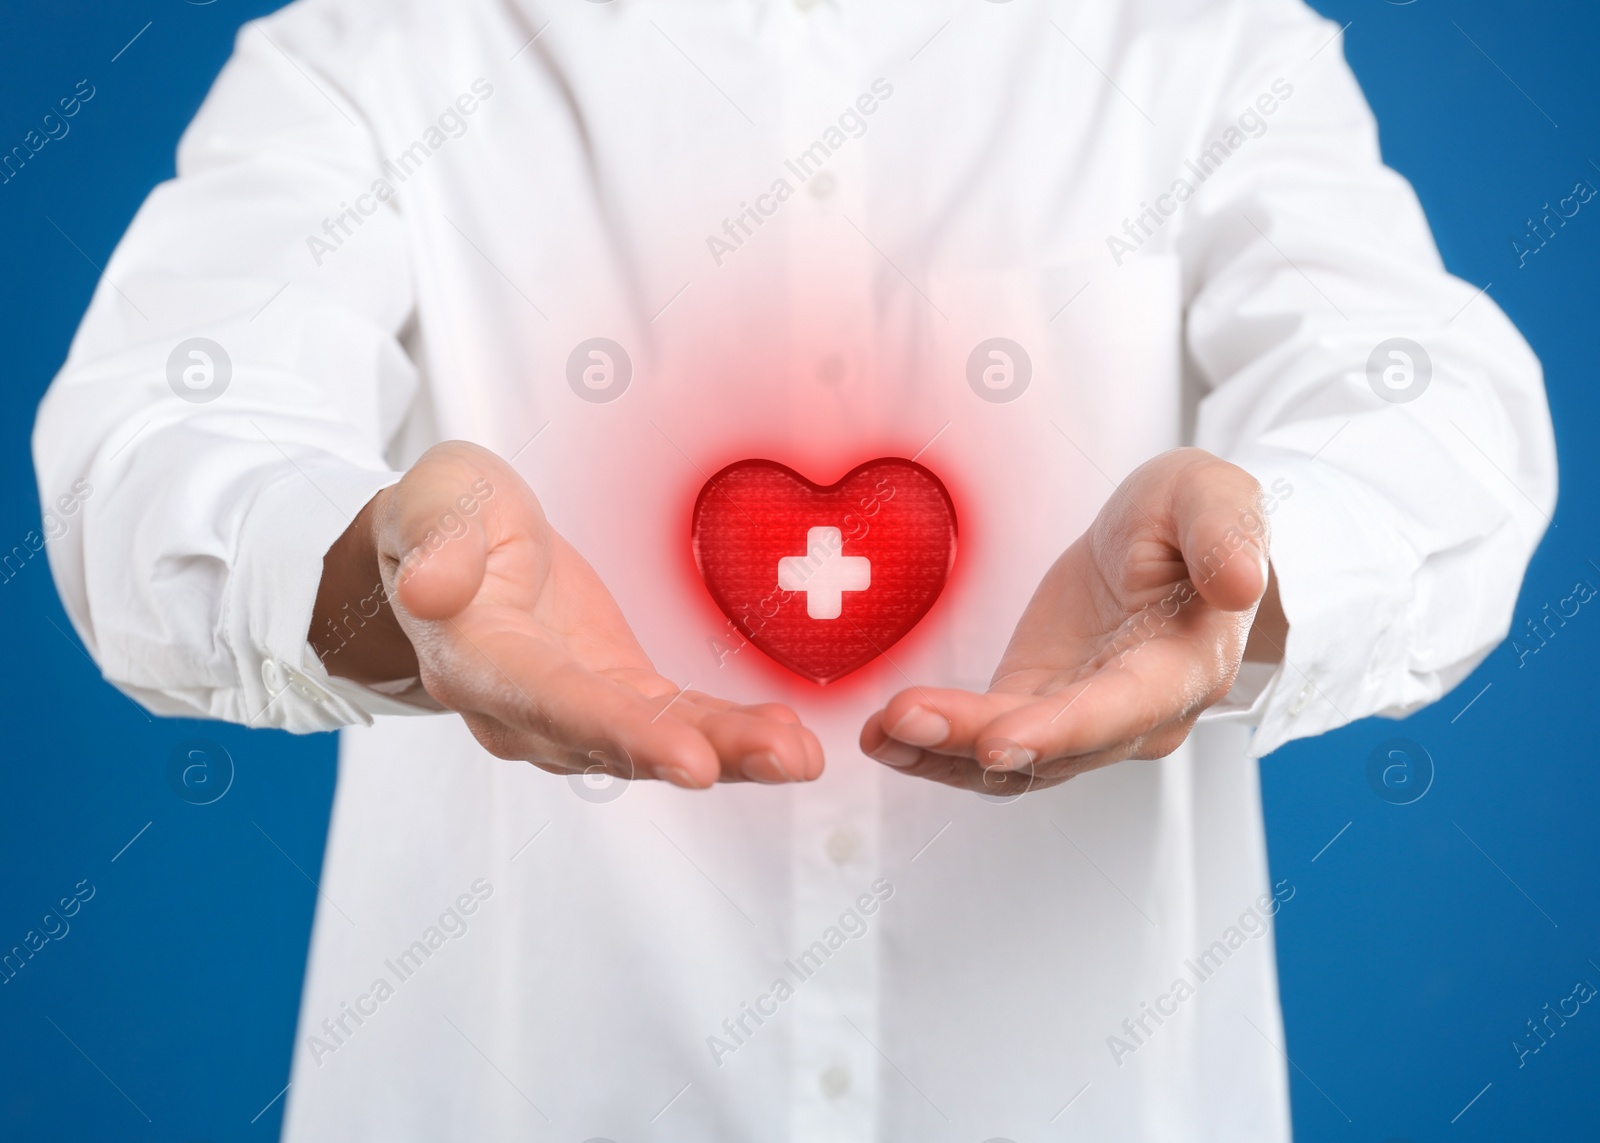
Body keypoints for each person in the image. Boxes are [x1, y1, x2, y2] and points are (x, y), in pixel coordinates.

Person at [33, 0, 1555, 1138]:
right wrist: (375, 590)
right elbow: (155, 443)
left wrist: (1251, 584)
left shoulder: (1203, 45)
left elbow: (1436, 418)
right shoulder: (381, 48)